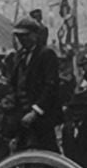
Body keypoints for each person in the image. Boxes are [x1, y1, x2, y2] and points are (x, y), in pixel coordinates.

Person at [8, 17, 61, 153]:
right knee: (19, 152)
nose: (21, 39)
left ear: (35, 35)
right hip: (22, 114)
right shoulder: (20, 56)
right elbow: (14, 83)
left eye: (25, 35)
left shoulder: (46, 54)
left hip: (41, 117)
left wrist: (35, 111)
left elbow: (51, 87)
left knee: (46, 153)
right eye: (19, 36)